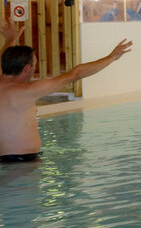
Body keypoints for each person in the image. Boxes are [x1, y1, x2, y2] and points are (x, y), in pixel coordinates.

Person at [0, 35, 132, 161]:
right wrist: (112, 57)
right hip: (21, 163)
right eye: (34, 64)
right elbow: (76, 73)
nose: (35, 67)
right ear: (27, 69)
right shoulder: (27, 91)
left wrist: (10, 40)